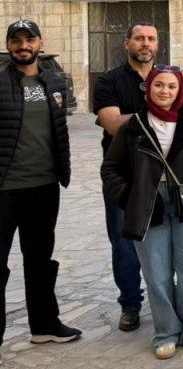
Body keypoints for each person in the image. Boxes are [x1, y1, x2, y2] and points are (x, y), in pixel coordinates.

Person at [100, 65, 183, 359]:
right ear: (149, 88)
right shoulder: (134, 125)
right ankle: (166, 331)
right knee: (157, 273)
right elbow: (110, 168)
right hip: (148, 205)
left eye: (171, 86)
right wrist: (130, 197)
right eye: (158, 85)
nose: (164, 91)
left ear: (180, 90)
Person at [0, 19, 81, 354]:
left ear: (40, 43)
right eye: (16, 40)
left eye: (29, 39)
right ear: (8, 45)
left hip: (45, 186)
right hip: (4, 189)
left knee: (40, 260)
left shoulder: (54, 81)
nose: (23, 45)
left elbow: (59, 131)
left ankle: (45, 325)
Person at [93, 22, 158, 331]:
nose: (145, 43)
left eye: (151, 39)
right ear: (127, 42)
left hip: (162, 172)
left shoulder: (168, 77)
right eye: (139, 38)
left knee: (164, 241)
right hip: (122, 175)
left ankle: (166, 300)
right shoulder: (109, 81)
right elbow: (111, 124)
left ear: (157, 44)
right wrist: (159, 115)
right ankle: (130, 304)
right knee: (123, 244)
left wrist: (131, 119)